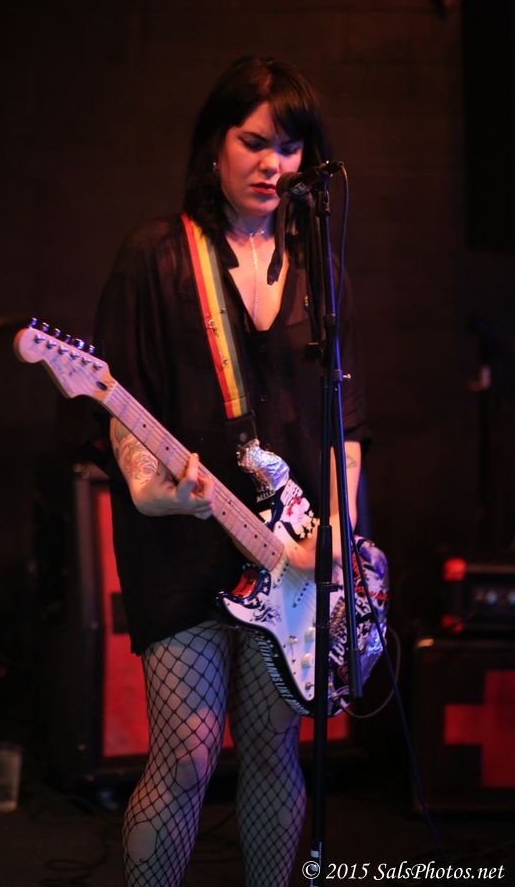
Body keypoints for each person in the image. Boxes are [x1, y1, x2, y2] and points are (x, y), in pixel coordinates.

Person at [93, 56, 367, 887]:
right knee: (185, 754)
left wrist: (335, 536)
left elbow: (346, 429)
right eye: (253, 142)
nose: (272, 163)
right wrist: (150, 488)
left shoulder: (315, 266)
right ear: (214, 143)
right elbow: (119, 401)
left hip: (288, 556)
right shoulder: (156, 256)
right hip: (186, 543)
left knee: (276, 751)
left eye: (289, 146)